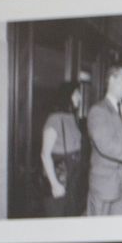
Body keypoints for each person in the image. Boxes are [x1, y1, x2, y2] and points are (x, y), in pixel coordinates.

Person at [85, 64, 122, 216]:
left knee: (119, 233)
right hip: (105, 186)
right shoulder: (98, 110)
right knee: (98, 234)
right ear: (112, 80)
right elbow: (107, 145)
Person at [38, 79, 87, 218]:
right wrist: (54, 184)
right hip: (60, 175)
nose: (80, 97)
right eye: (77, 94)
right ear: (67, 96)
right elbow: (45, 154)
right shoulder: (54, 119)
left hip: (73, 176)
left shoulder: (71, 117)